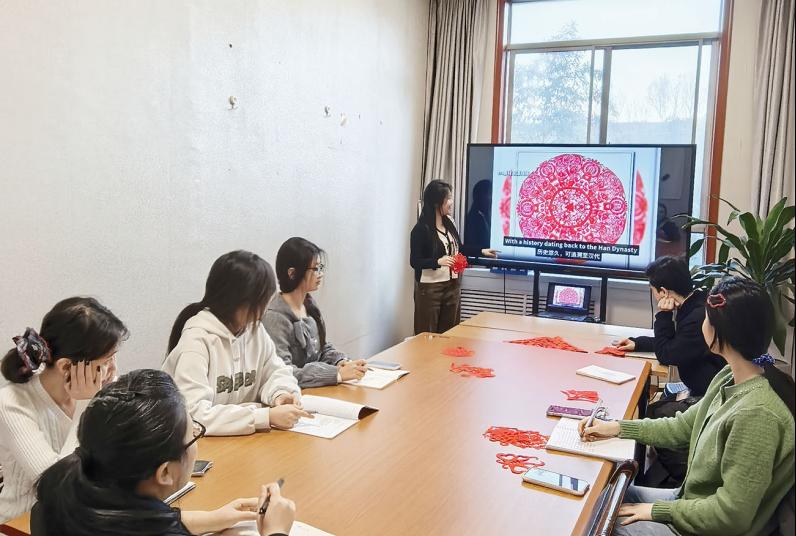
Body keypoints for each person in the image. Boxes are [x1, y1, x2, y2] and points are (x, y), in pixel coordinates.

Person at [582, 277, 795, 536]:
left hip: (711, 527)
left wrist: (658, 511)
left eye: (706, 317)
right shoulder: (730, 375)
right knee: (605, 492)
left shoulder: (757, 414)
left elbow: (731, 516)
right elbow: (681, 426)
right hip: (690, 501)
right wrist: (616, 428)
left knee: (599, 524)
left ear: (720, 331)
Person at [31, 369, 295, 536]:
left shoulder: (59, 501)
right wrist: (276, 531)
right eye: (193, 435)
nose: (195, 440)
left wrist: (209, 519)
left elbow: (136, 521)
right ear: (166, 472)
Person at [0, 297, 127, 522]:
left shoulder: (98, 387)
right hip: (24, 522)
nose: (113, 369)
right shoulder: (11, 403)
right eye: (106, 361)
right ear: (66, 366)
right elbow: (57, 486)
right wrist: (88, 406)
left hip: (85, 516)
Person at [163, 250, 309, 436]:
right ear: (236, 300)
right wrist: (265, 417)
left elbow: (276, 371)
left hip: (243, 441)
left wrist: (280, 394)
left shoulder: (255, 330)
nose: (264, 309)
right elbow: (194, 415)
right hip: (204, 445)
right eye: (261, 301)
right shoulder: (197, 341)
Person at [613, 256, 725, 486]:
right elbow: (677, 343)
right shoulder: (695, 302)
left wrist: (663, 315)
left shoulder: (696, 317)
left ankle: (684, 477)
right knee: (656, 407)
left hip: (708, 394)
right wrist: (639, 343)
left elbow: (668, 354)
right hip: (701, 386)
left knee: (655, 413)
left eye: (653, 291)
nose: (654, 296)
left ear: (664, 292)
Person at [263, 237, 367, 388]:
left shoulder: (309, 304)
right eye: (315, 269)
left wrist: (342, 362)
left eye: (321, 267)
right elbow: (283, 372)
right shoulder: (274, 317)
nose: (320, 274)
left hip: (318, 391)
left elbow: (322, 349)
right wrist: (336, 374)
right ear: (292, 273)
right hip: (293, 395)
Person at [410, 180, 498, 334]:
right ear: (437, 202)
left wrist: (481, 251)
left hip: (453, 286)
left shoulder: (449, 222)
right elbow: (415, 261)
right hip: (430, 289)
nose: (451, 202)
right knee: (427, 334)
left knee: (449, 333)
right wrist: (438, 261)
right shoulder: (421, 229)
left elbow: (458, 248)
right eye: (448, 198)